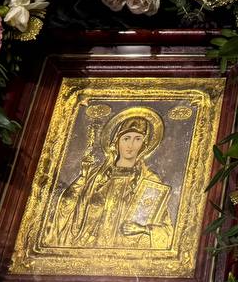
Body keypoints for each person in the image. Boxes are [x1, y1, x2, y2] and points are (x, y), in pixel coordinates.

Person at [49, 107, 174, 250]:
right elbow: (65, 209)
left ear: (144, 145)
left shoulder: (150, 181)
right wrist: (83, 177)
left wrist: (143, 229)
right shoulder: (95, 176)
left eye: (138, 139)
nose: (131, 145)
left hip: (127, 253)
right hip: (88, 247)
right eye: (126, 138)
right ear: (116, 141)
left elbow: (167, 231)